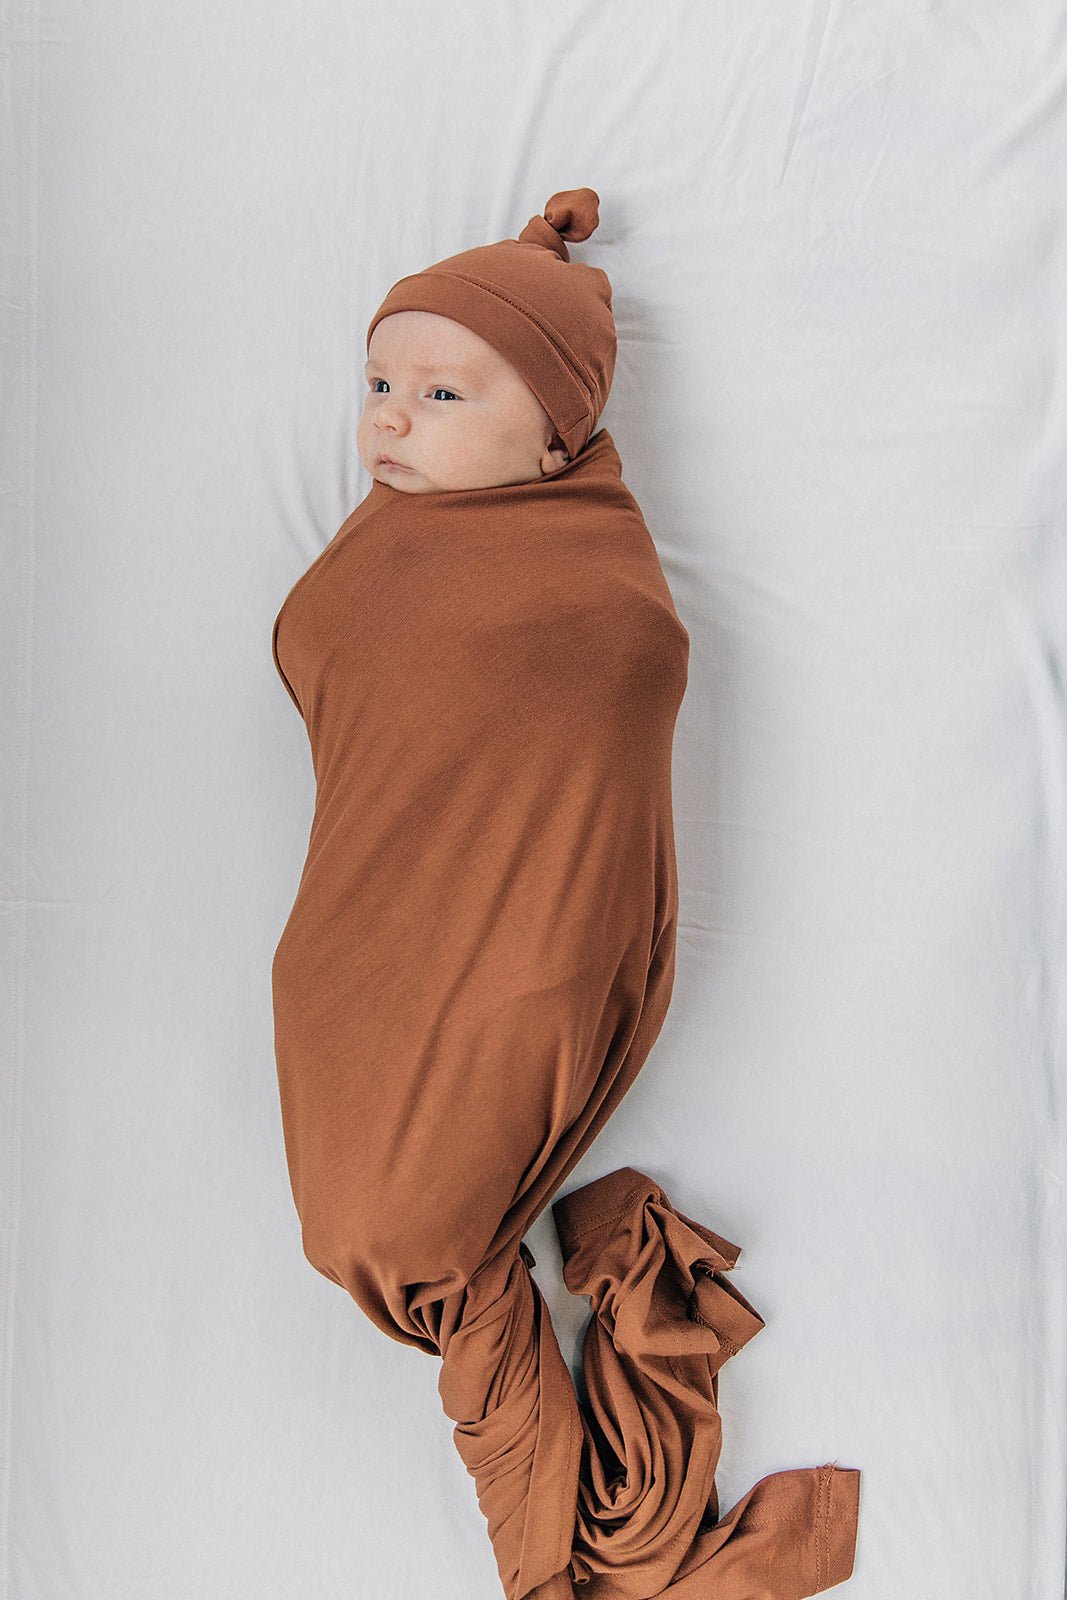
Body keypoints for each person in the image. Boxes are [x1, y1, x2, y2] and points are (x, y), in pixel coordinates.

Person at [270, 187, 860, 1600]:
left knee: (396, 1229)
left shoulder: (587, 579)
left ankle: (558, 1526)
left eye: (441, 393)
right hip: (359, 939)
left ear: (554, 435)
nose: (390, 422)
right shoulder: (384, 542)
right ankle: (572, 1510)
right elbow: (338, 671)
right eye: (378, 386)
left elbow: (620, 682)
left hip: (520, 941)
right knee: (368, 1226)